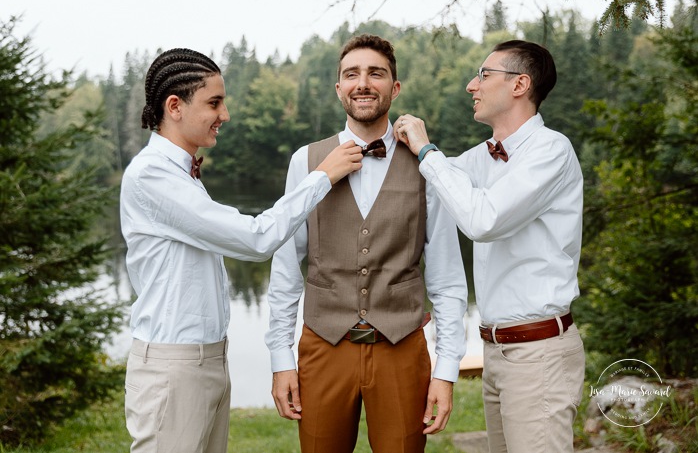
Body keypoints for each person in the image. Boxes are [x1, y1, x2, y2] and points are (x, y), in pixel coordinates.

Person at [119, 48, 363, 453]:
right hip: (174, 368)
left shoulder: (184, 174)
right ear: (174, 107)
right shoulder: (152, 175)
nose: (225, 114)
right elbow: (256, 239)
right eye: (214, 102)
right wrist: (321, 176)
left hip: (206, 360)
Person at [265, 34, 468, 453]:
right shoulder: (305, 161)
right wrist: (280, 360)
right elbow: (286, 270)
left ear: (394, 88)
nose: (363, 83)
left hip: (402, 349)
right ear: (338, 87)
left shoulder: (429, 164)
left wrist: (446, 370)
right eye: (351, 74)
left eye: (376, 73)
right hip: (323, 347)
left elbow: (447, 278)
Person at [394, 40, 585, 453]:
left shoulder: (551, 151)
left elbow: (483, 219)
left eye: (483, 75)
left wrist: (427, 148)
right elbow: (426, 189)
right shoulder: (481, 158)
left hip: (539, 356)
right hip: (496, 353)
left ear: (520, 84)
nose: (470, 86)